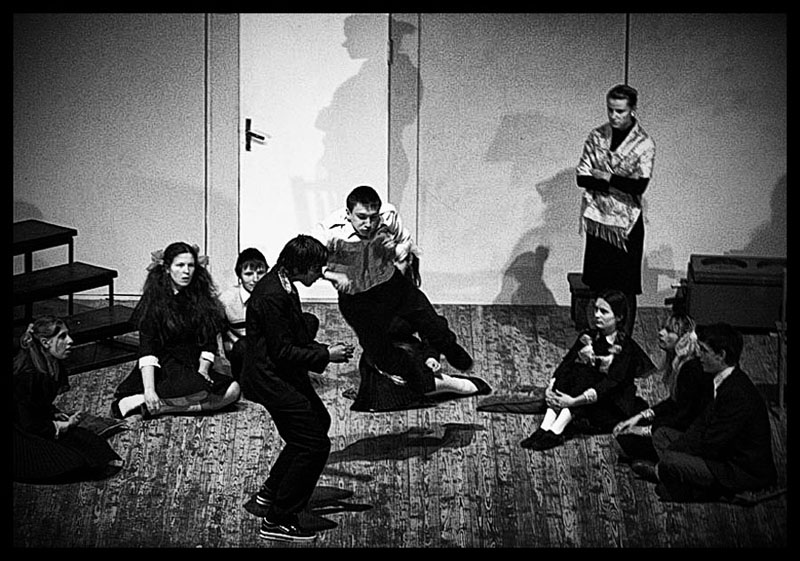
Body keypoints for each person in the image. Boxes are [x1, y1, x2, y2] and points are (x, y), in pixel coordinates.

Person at [315, 185, 489, 398]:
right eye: (361, 217)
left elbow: (404, 239)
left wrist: (399, 256)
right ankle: (420, 377)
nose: (368, 224)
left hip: (390, 283)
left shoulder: (388, 215)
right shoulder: (329, 231)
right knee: (381, 352)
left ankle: (449, 348)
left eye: (373, 217)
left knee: (428, 320)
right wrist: (334, 276)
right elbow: (309, 262)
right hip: (357, 298)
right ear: (348, 213)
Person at [240, 234, 354, 542]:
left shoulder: (284, 283)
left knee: (318, 422)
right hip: (270, 379)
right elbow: (282, 352)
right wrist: (326, 355)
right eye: (316, 268)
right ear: (300, 267)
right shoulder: (272, 295)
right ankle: (279, 519)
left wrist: (323, 349)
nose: (319, 274)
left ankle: (270, 492)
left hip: (281, 374)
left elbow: (289, 339)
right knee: (314, 445)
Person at [646, 323, 778, 502]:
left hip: (737, 469)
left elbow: (715, 443)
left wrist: (676, 456)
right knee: (662, 435)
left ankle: (699, 487)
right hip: (718, 453)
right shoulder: (720, 380)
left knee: (670, 461)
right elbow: (700, 426)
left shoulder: (737, 393)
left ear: (721, 355)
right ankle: (673, 477)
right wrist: (678, 449)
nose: (699, 355)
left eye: (704, 351)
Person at [112, 242, 241, 419]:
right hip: (164, 366)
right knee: (198, 391)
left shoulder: (201, 298)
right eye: (180, 265)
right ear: (167, 269)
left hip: (193, 364)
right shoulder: (154, 301)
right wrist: (149, 390)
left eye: (190, 265)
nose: (186, 271)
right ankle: (149, 399)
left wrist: (203, 370)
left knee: (233, 390)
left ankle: (161, 407)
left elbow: (209, 341)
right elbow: (147, 349)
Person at [521, 289, 652, 451]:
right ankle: (546, 425)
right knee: (574, 368)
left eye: (603, 312)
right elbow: (566, 363)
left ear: (618, 317)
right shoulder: (588, 336)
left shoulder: (625, 347)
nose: (597, 315)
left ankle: (557, 429)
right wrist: (550, 388)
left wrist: (573, 401)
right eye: (596, 310)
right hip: (583, 397)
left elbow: (611, 384)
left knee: (586, 373)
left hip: (608, 404)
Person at [576, 84, 655, 335]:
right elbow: (582, 177)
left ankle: (624, 340)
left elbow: (638, 186)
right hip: (599, 219)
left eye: (619, 111)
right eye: (610, 110)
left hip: (625, 225)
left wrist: (606, 177)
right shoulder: (597, 136)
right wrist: (617, 182)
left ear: (632, 109)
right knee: (598, 284)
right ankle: (599, 337)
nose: (613, 116)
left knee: (626, 286)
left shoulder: (643, 143)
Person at [13, 315, 123, 482]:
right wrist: (61, 426)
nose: (70, 341)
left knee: (91, 443)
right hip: (20, 430)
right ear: (45, 342)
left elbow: (37, 403)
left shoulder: (52, 363)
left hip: (36, 421)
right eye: (62, 337)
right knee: (71, 461)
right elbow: (27, 421)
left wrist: (55, 413)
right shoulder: (27, 374)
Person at [612, 313, 714, 477]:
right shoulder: (682, 364)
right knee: (628, 427)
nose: (661, 333)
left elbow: (684, 416)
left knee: (622, 443)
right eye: (662, 329)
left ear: (683, 338)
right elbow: (674, 402)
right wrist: (639, 417)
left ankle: (664, 469)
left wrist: (644, 430)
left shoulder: (690, 369)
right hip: (680, 424)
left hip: (689, 433)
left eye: (669, 331)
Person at [219, 247, 269, 380]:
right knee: (243, 345)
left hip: (266, 352)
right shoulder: (226, 300)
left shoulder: (272, 296)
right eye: (248, 274)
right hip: (240, 355)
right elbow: (216, 335)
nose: (255, 279)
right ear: (239, 276)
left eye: (260, 273)